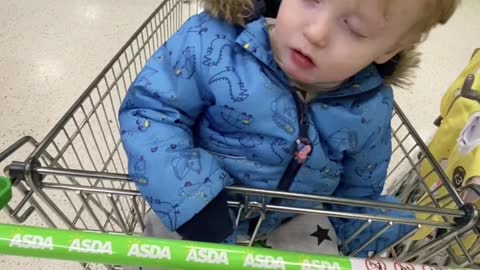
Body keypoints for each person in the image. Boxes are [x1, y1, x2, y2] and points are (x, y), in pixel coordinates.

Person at [119, 0, 460, 257]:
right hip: (188, 206)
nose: (316, 33)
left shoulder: (370, 107)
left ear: (388, 49)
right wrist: (195, 202)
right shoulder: (210, 44)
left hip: (291, 222)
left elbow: (357, 193)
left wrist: (374, 235)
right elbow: (152, 113)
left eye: (354, 28)